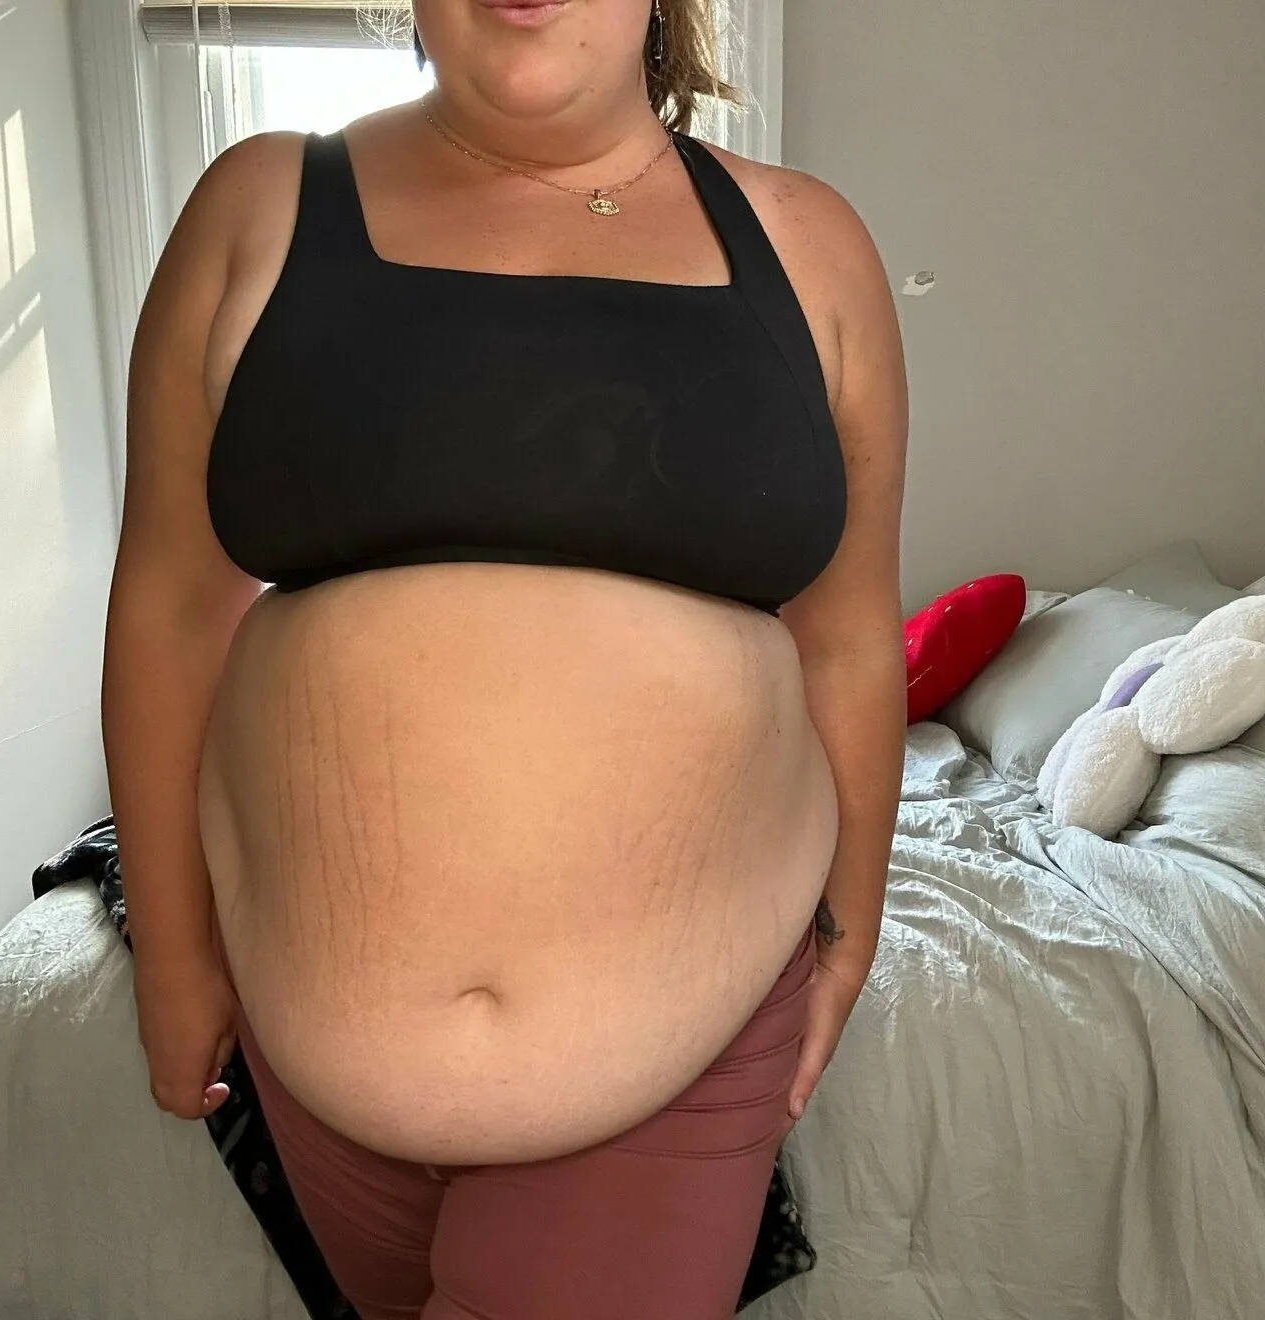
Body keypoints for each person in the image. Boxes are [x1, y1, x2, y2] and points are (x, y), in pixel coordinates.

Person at [102, 0, 908, 1314]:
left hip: (679, 1039)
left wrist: (852, 932)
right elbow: (171, 609)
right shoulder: (257, 207)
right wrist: (175, 957)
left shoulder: (808, 245)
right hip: (316, 1066)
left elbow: (852, 633)